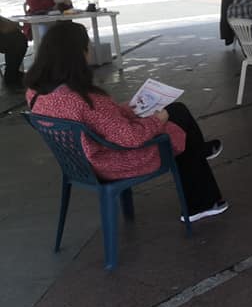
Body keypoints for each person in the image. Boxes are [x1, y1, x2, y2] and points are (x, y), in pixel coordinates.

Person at [24, 22, 228, 222]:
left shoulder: (35, 93)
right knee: (177, 116)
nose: (90, 50)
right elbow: (131, 138)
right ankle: (200, 202)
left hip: (77, 164)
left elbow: (96, 121)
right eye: (88, 46)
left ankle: (199, 152)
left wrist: (127, 109)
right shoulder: (86, 100)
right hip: (111, 163)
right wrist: (157, 119)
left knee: (176, 118)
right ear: (78, 54)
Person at [0, 15, 27, 88]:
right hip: (15, 40)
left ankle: (13, 76)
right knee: (11, 74)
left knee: (11, 76)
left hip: (14, 40)